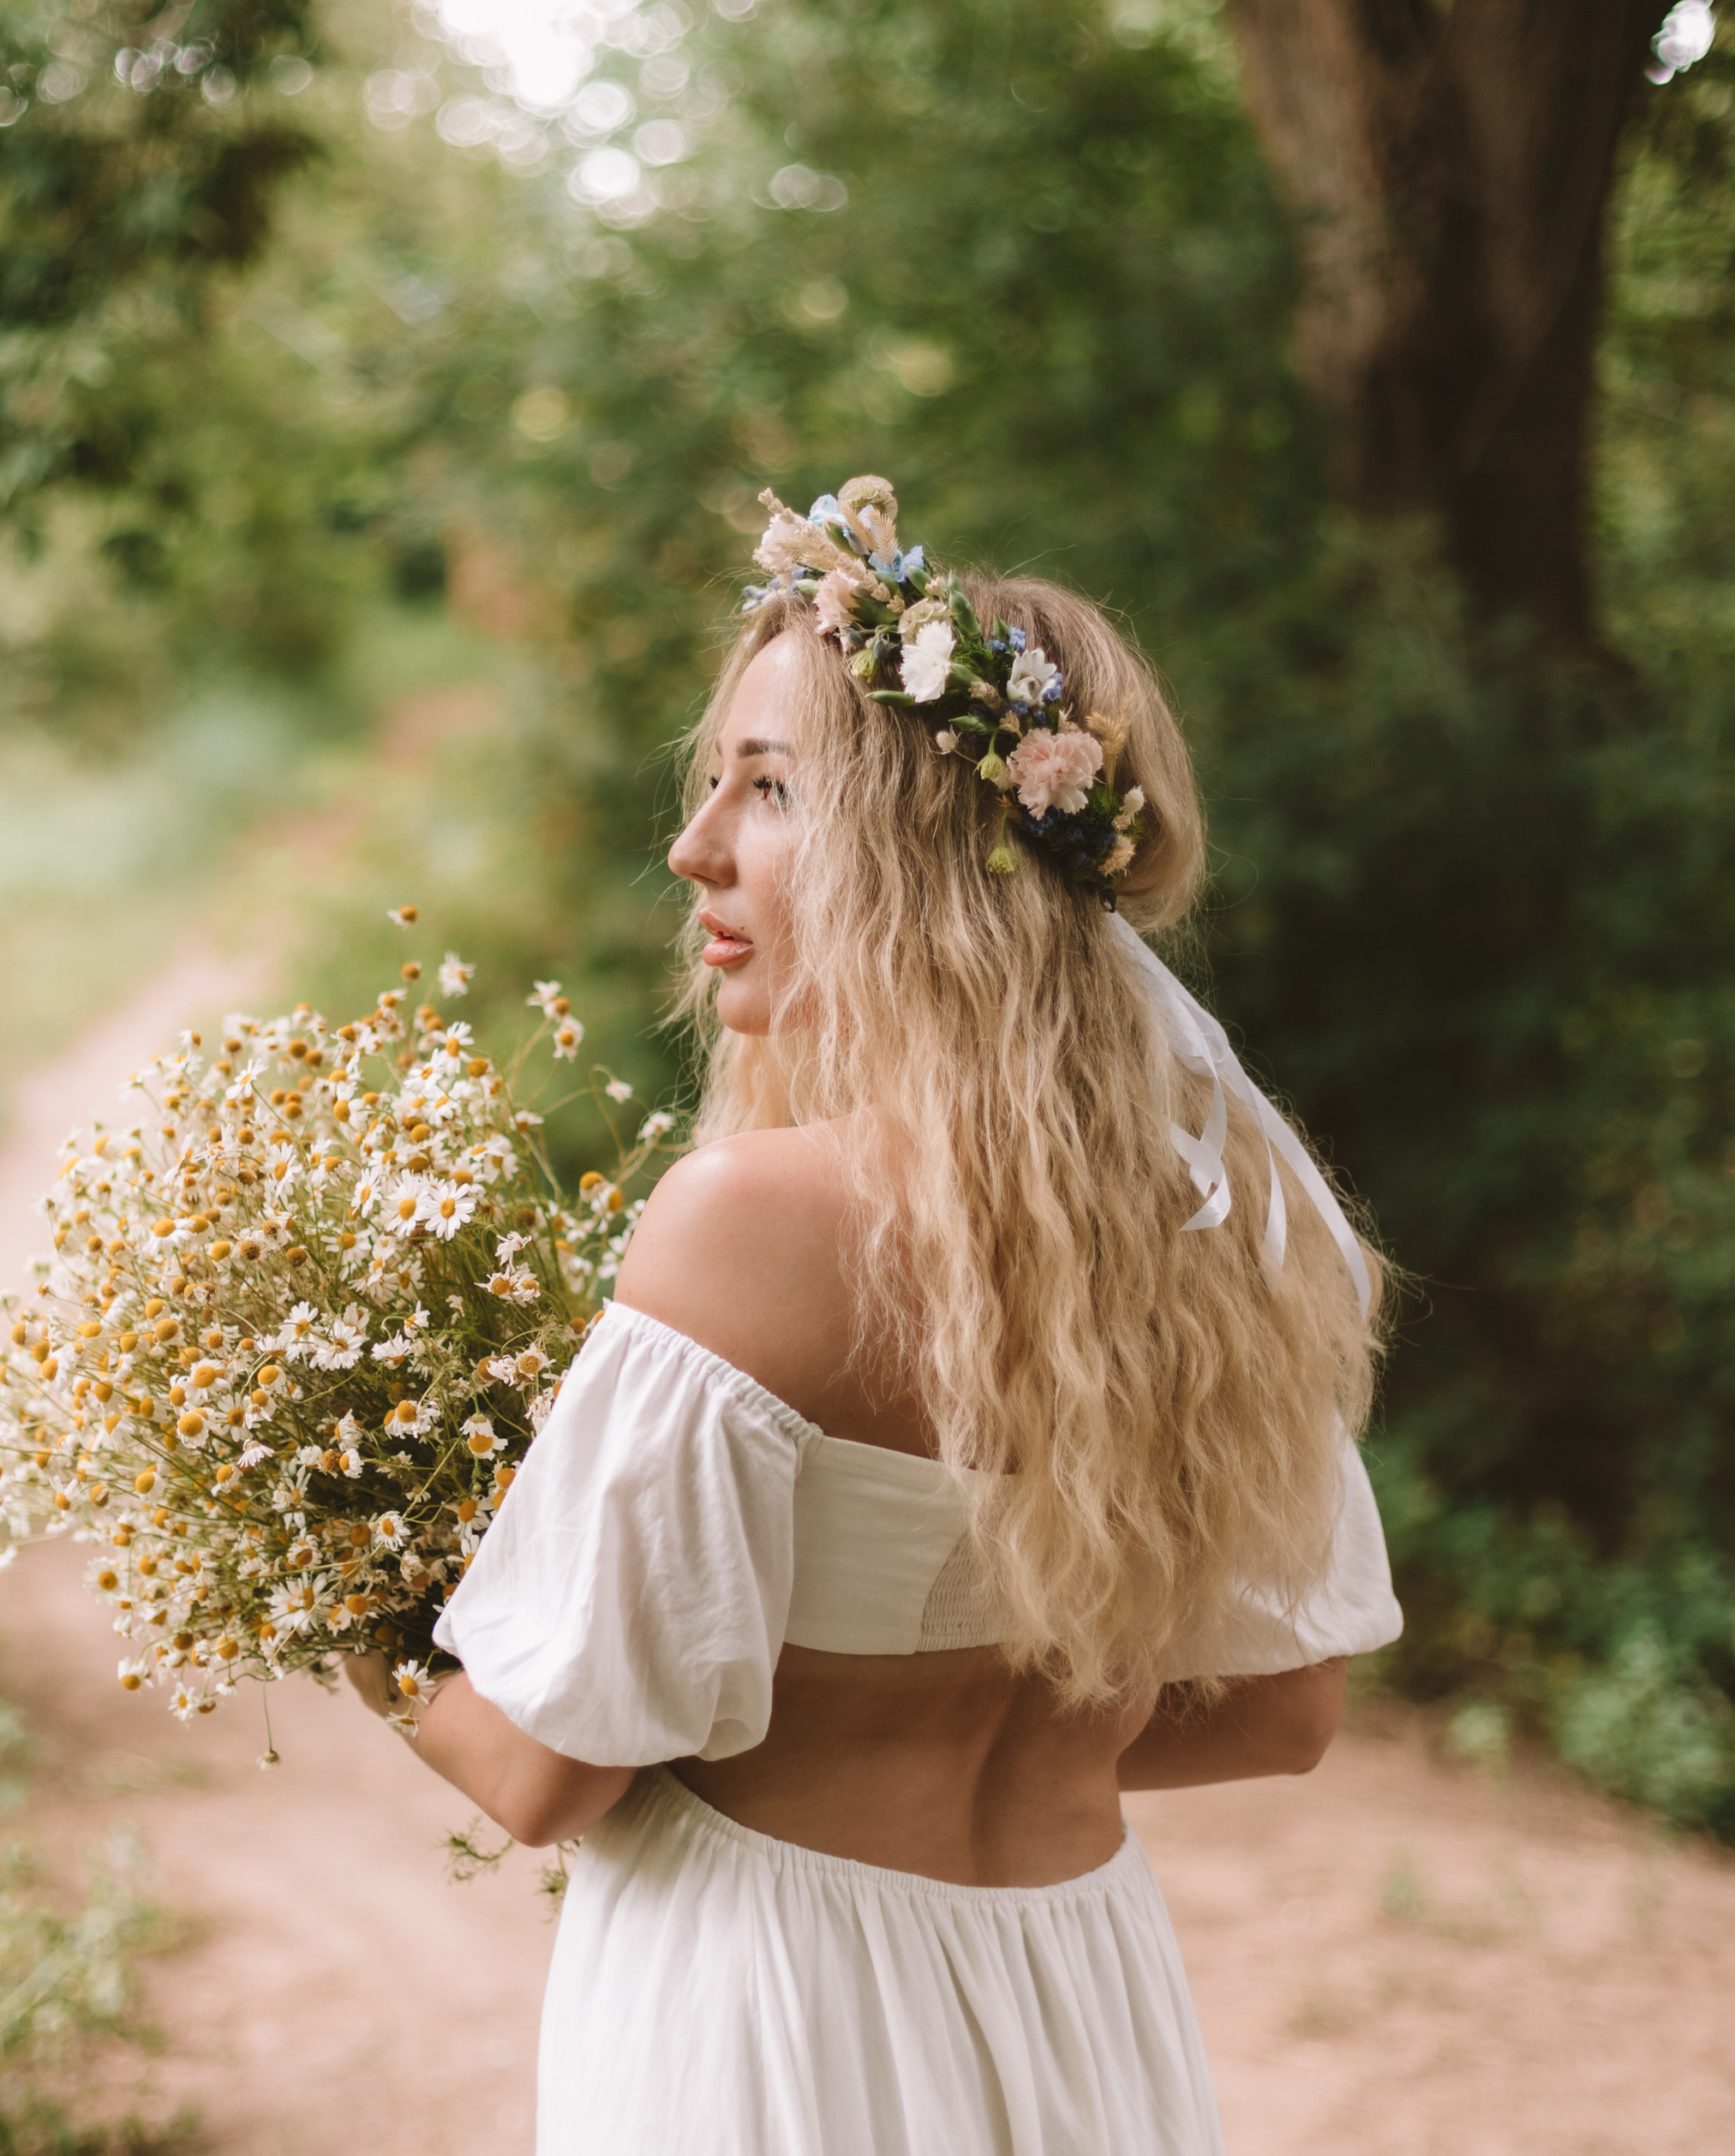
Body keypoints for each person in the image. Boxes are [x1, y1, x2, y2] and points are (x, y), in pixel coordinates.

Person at [348, 477, 1403, 2153]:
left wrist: (325, 1579)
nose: (694, 843)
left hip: (767, 2002)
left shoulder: (748, 1223)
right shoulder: (1234, 1224)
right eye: (713, 784)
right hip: (1075, 1986)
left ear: (929, 853)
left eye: (765, 788)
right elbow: (1283, 1709)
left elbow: (548, 1772)